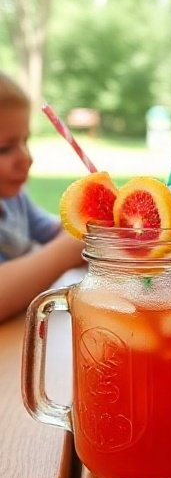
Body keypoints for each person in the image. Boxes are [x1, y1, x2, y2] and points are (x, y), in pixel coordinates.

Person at [0, 71, 84, 322]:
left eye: (25, 141)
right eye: (5, 148)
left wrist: (94, 229)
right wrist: (65, 250)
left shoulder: (14, 200)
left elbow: (54, 230)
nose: (26, 158)